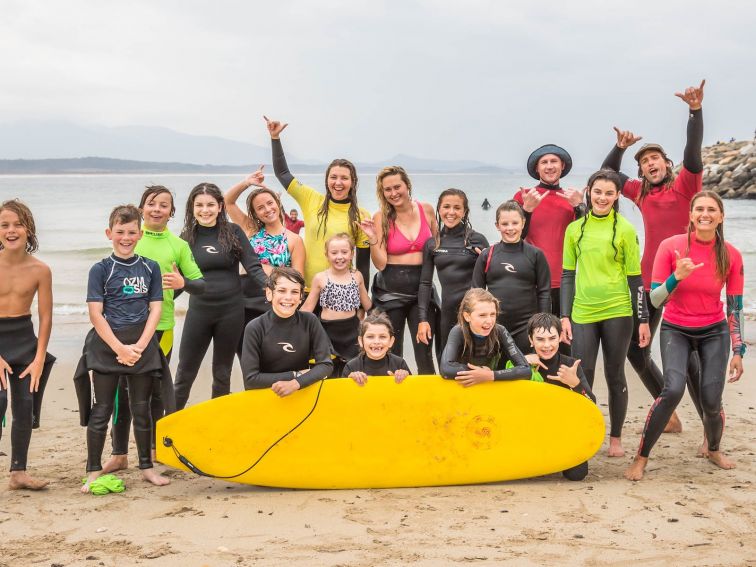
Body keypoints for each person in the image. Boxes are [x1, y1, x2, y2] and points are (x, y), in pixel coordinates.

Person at [602, 80, 706, 433]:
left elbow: (694, 155)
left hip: (689, 281)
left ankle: (709, 423)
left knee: (691, 360)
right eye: (644, 161)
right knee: (636, 350)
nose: (649, 164)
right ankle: (668, 408)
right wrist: (619, 148)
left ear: (666, 163)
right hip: (649, 283)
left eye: (654, 158)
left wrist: (695, 112)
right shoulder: (642, 194)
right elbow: (606, 177)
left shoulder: (685, 187)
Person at [625, 192, 745, 481]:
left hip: (713, 331)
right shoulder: (671, 247)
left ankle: (713, 449)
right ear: (691, 215)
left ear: (721, 216)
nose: (705, 214)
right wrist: (676, 277)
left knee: (711, 400)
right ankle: (641, 458)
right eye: (699, 209)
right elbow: (654, 300)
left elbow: (735, 306)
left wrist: (738, 350)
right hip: (676, 329)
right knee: (673, 389)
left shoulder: (730, 254)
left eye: (712, 210)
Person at [103, 186, 206, 474]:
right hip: (123, 329)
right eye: (152, 203)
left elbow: (200, 284)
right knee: (122, 392)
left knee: (156, 392)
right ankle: (119, 453)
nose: (157, 209)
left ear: (171, 212)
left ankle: (153, 448)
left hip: (162, 329)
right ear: (141, 208)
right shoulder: (130, 238)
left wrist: (182, 283)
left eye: (164, 205)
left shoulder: (179, 246)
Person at [561, 169, 650, 457]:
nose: (602, 197)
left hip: (617, 310)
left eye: (609, 193)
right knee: (583, 373)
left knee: (615, 374)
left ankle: (615, 438)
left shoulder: (624, 229)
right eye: (598, 191)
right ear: (589, 191)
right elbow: (567, 275)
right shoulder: (575, 229)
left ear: (617, 196)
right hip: (583, 311)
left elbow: (635, 280)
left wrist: (644, 319)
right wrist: (565, 316)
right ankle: (586, 432)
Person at [82, 205, 169, 491]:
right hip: (108, 345)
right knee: (102, 409)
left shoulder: (150, 267)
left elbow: (155, 309)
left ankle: (146, 466)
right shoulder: (100, 269)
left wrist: (142, 346)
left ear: (140, 234)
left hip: (142, 344)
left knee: (141, 409)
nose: (126, 237)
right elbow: (96, 314)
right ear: (110, 233)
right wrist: (119, 348)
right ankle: (94, 469)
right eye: (120, 232)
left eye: (132, 232)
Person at [173, 183, 267, 409]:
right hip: (199, 312)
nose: (205, 210)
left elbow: (253, 267)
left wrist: (272, 287)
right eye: (199, 205)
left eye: (210, 205)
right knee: (185, 372)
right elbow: (178, 281)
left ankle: (218, 425)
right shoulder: (186, 238)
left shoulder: (233, 232)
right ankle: (169, 425)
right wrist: (153, 302)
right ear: (192, 207)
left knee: (223, 372)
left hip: (231, 312)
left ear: (220, 206)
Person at [265, 117, 371, 289]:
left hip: (341, 291)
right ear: (327, 180)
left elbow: (363, 265)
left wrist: (362, 301)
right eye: (333, 177)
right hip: (305, 288)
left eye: (344, 178)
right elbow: (283, 173)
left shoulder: (362, 215)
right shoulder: (311, 199)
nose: (338, 182)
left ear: (353, 182)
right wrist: (275, 138)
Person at [359, 166, 439, 374]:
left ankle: (427, 401)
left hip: (422, 290)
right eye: (387, 190)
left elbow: (439, 247)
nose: (393, 193)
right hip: (389, 292)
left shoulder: (427, 210)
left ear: (407, 185)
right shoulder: (381, 217)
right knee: (393, 353)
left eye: (397, 187)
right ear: (382, 192)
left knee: (424, 352)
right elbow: (380, 264)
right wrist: (373, 239)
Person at [0, 200, 54, 490]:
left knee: (24, 406)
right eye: (4, 225)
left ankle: (18, 473)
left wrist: (39, 358)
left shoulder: (40, 270)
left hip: (25, 341)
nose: (11, 230)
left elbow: (45, 318)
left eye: (17, 224)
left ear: (29, 229)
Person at [225, 171, 305, 357]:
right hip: (242, 300)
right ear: (255, 213)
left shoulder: (294, 240)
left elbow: (299, 280)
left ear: (278, 204)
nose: (267, 209)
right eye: (260, 208)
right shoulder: (249, 228)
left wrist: (272, 270)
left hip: (272, 303)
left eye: (270, 203)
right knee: (246, 356)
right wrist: (247, 182)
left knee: (271, 356)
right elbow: (228, 201)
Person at [513, 144, 586, 348]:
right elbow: (515, 237)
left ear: (562, 166)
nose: (549, 166)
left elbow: (584, 240)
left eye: (554, 161)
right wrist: (526, 210)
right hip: (532, 281)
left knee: (564, 342)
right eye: (544, 162)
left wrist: (580, 208)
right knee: (533, 341)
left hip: (565, 281)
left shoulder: (571, 198)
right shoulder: (524, 196)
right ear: (537, 168)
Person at [472, 200, 550, 353]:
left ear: (523, 223)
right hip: (495, 326)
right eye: (505, 224)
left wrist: (543, 324)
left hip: (526, 326)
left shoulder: (535, 254)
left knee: (526, 371)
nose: (510, 228)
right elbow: (475, 294)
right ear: (497, 226)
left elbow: (544, 292)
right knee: (497, 373)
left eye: (515, 223)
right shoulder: (487, 255)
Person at [417, 189, 488, 356]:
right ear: (439, 210)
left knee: (475, 361)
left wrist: (486, 262)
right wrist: (423, 319)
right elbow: (425, 283)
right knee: (446, 361)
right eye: (446, 207)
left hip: (475, 313)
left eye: (457, 208)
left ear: (464, 211)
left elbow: (493, 279)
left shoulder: (477, 240)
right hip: (447, 314)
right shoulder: (432, 244)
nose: (451, 212)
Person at [241, 267, 333, 396]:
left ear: (301, 296)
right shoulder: (255, 327)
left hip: (300, 393)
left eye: (294, 292)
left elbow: (326, 365)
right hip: (266, 396)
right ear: (269, 293)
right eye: (282, 291)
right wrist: (295, 375)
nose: (288, 297)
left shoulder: (309, 321)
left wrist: (296, 384)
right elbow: (250, 380)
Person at [526, 313, 595, 481]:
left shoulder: (570, 365)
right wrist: (521, 365)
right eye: (540, 339)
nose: (547, 345)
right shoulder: (523, 363)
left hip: (562, 431)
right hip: (532, 431)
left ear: (560, 337)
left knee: (577, 474)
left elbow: (592, 404)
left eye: (552, 338)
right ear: (531, 340)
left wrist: (575, 384)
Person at [301, 233, 372, 377]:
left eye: (344, 252)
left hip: (352, 331)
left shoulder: (356, 276)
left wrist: (372, 322)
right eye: (334, 253)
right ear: (326, 255)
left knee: (353, 372)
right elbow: (308, 308)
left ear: (352, 254)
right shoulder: (320, 278)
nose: (339, 257)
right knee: (329, 372)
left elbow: (368, 304)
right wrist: (289, 321)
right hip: (327, 332)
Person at [440, 288, 531, 385]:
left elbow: (525, 370)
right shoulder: (458, 332)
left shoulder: (500, 331)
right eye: (482, 315)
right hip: (466, 387)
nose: (489, 321)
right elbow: (446, 368)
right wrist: (480, 372)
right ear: (467, 316)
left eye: (493, 314)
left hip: (490, 385)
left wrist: (490, 375)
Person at [344, 312, 412, 386]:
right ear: (361, 341)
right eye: (370, 336)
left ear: (391, 341)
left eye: (382, 337)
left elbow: (413, 391)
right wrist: (350, 381)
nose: (376, 342)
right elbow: (342, 394)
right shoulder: (351, 367)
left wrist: (405, 379)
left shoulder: (400, 364)